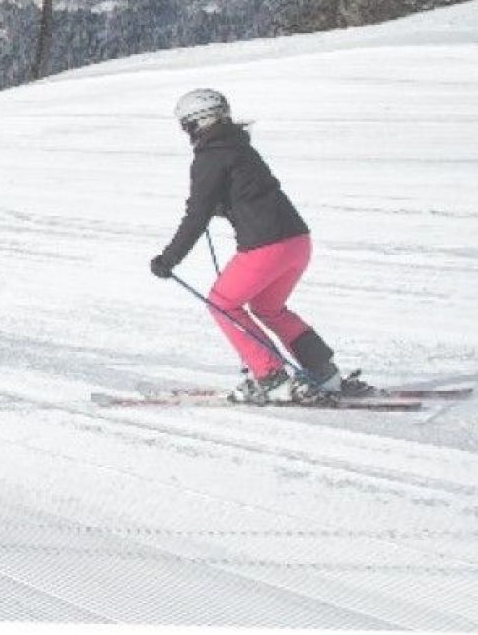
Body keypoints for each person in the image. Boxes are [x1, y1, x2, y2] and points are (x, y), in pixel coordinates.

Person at [148, 89, 350, 404]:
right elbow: (249, 192)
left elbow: (196, 214)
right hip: (297, 242)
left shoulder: (209, 157)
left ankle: (271, 378)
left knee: (222, 303)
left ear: (198, 123)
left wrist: (169, 259)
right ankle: (325, 373)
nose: (187, 134)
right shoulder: (241, 147)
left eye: (187, 126)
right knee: (269, 308)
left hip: (266, 246)